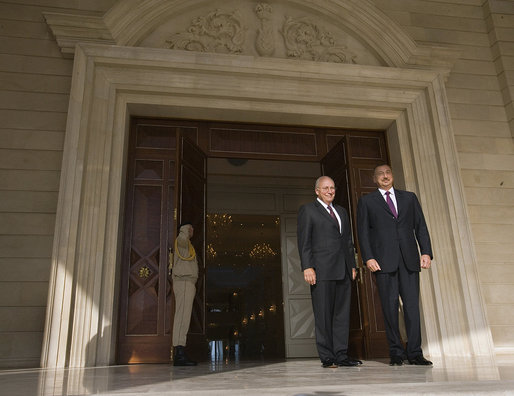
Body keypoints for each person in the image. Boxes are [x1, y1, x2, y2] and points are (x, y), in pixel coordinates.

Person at [356, 164, 433, 366]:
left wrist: (426, 252)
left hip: (409, 260)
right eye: (380, 174)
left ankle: (415, 352)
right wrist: (368, 258)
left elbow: (421, 227)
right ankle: (396, 353)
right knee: (389, 309)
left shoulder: (409, 198)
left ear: (393, 176)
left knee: (411, 308)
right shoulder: (367, 201)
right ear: (374, 179)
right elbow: (363, 233)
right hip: (382, 263)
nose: (385, 176)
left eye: (388, 173)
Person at [297, 176, 360, 368]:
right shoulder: (308, 210)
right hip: (322, 271)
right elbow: (304, 240)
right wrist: (307, 266)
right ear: (317, 190)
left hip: (343, 270)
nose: (330, 191)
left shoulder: (341, 211)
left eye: (332, 187)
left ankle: (341, 354)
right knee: (323, 314)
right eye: (325, 188)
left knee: (342, 314)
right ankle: (327, 357)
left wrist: (353, 265)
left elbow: (347, 242)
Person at [169, 222, 199, 366]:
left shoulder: (188, 245)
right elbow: (181, 239)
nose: (192, 230)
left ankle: (180, 351)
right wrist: (184, 229)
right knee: (182, 317)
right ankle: (179, 353)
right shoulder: (181, 241)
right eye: (190, 228)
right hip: (184, 281)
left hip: (188, 283)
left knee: (184, 317)